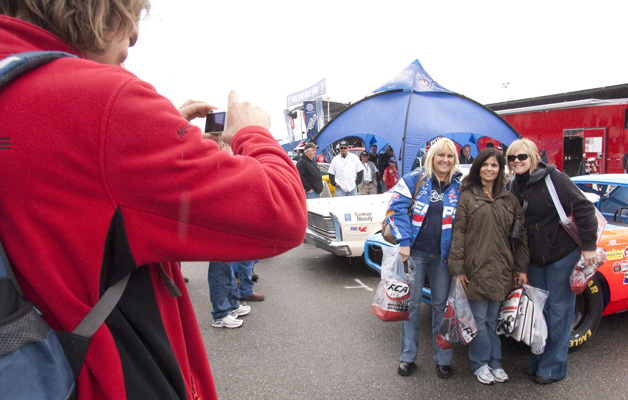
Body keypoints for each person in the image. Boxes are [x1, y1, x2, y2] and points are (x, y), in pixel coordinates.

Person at [0, 3, 307, 399]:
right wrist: (253, 133)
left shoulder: (14, 85)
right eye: (128, 14)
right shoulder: (100, 101)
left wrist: (152, 140)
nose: (133, 37)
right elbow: (282, 212)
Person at [506, 138, 598, 385]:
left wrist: (589, 246)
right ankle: (538, 359)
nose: (517, 161)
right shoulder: (514, 186)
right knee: (539, 312)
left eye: (522, 156)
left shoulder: (555, 178)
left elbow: (584, 209)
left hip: (561, 256)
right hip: (535, 260)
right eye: (512, 158)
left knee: (559, 311)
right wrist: (521, 266)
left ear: (534, 156)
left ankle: (554, 366)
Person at [448, 148, 529, 385]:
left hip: (502, 269)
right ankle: (480, 363)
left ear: (500, 170)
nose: (489, 169)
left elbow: (520, 237)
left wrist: (521, 268)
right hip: (475, 269)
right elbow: (459, 232)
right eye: (485, 165)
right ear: (478, 168)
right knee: (479, 320)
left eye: (494, 165)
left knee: (493, 320)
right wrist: (458, 268)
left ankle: (495, 362)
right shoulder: (468, 196)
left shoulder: (509, 200)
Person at [385, 138, 462, 379]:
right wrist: (405, 242)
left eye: (450, 156)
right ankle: (408, 357)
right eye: (441, 155)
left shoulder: (460, 184)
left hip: (443, 257)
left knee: (441, 306)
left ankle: (443, 359)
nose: (445, 160)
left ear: (455, 160)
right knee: (412, 306)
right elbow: (395, 207)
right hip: (415, 253)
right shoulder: (415, 178)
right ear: (432, 157)